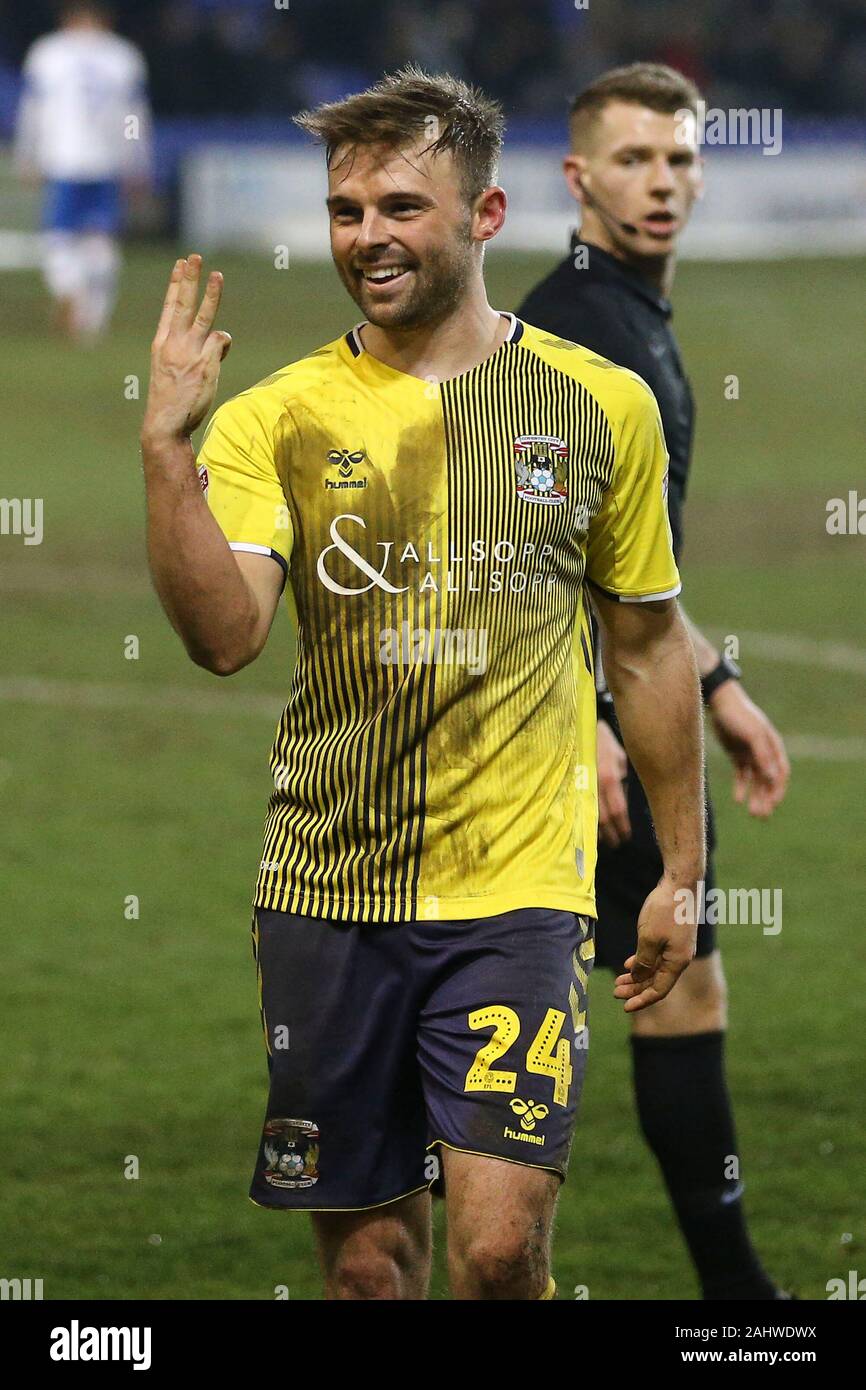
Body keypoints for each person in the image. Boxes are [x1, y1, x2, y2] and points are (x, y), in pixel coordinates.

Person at [140, 67, 706, 1301]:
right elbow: (221, 636)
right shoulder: (278, 417)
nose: (367, 237)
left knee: (498, 1256)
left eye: (400, 206)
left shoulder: (594, 404)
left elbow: (650, 646)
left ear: (484, 215)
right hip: (326, 889)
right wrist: (167, 454)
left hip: (517, 890)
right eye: (346, 211)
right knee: (368, 1273)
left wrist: (677, 872)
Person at [517, 63, 791, 1300]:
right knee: (647, 992)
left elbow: (632, 565)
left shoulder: (625, 311)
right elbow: (513, 556)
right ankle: (738, 1308)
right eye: (632, 161)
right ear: (577, 177)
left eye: (678, 159)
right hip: (575, 733)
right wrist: (583, 724)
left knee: (634, 987)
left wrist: (713, 680)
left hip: (630, 709)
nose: (662, 182)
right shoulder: (575, 327)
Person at [13, 0, 151, 341]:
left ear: (66, 16)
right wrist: (138, 161)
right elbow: (135, 116)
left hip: (62, 156)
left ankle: (70, 289)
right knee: (101, 237)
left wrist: (26, 155)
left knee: (59, 234)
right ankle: (94, 320)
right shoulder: (123, 55)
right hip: (107, 158)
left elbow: (32, 109)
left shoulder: (47, 51)